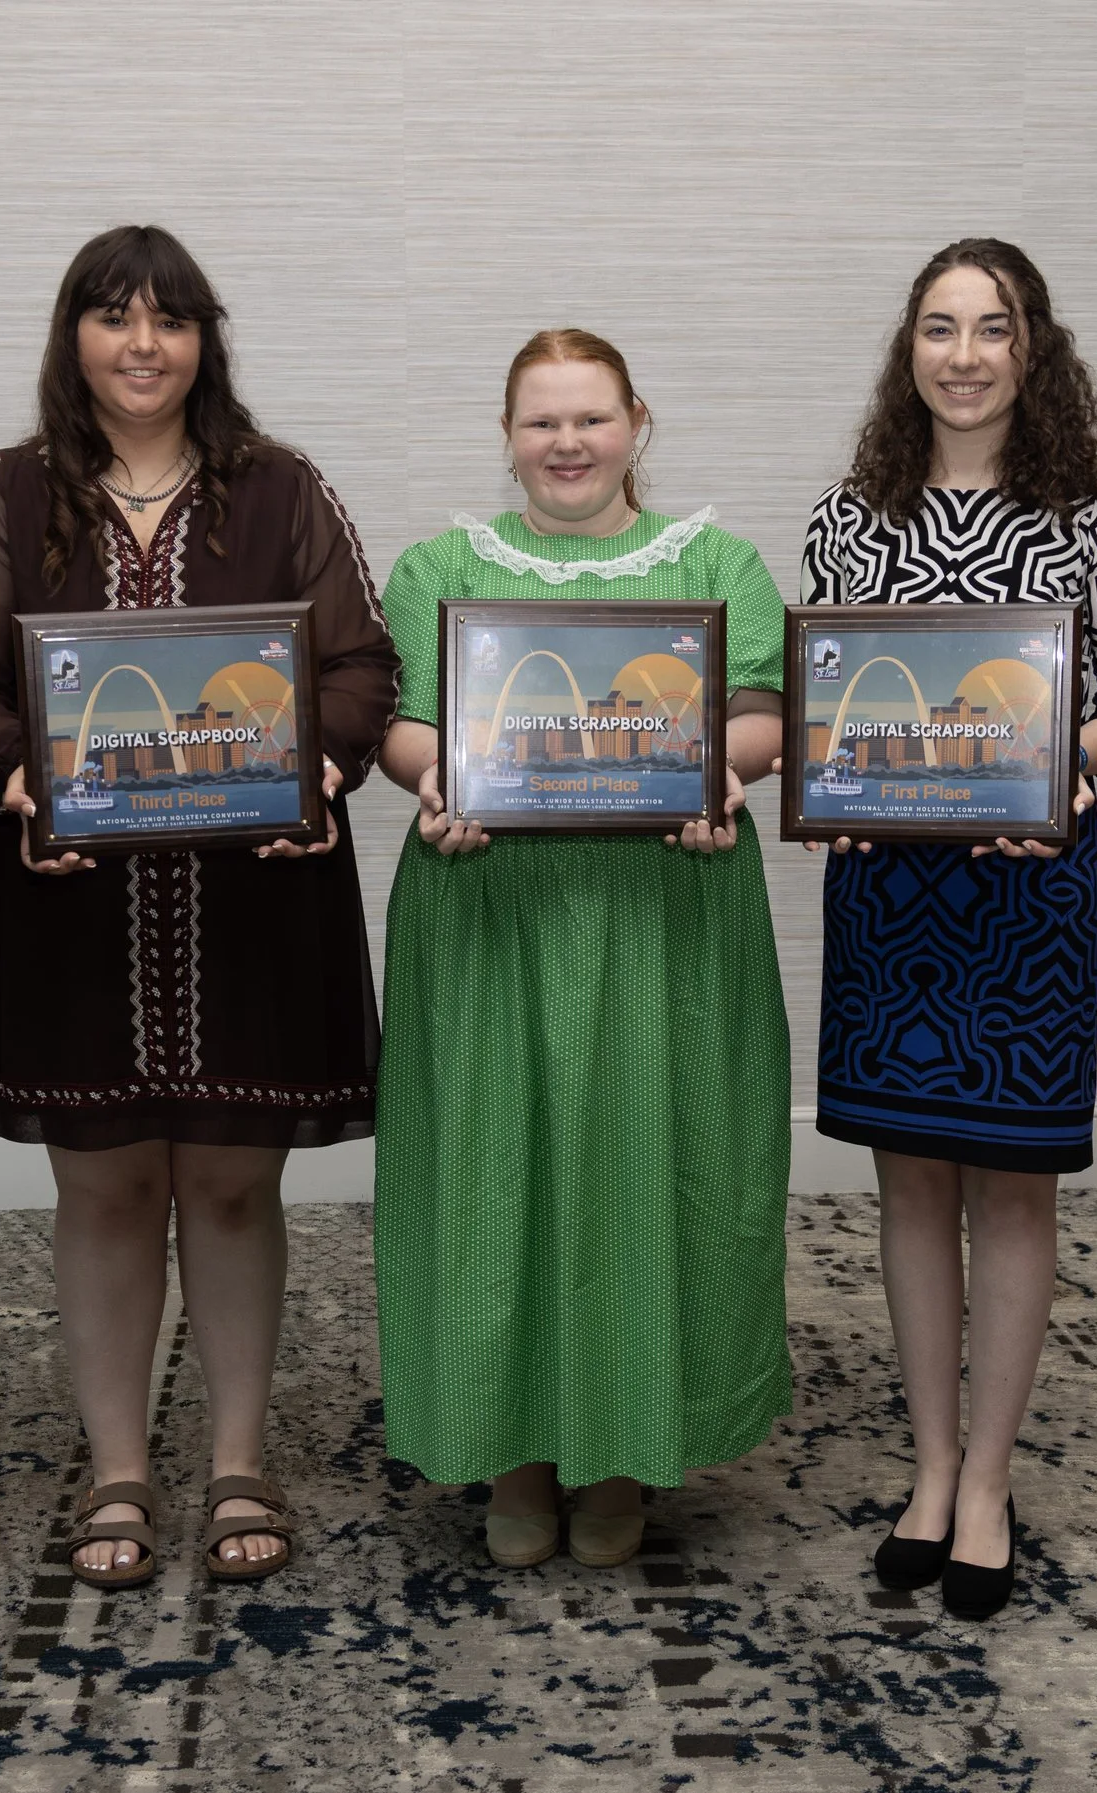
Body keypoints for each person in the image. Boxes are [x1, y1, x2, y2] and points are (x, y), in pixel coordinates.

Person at [0, 225, 400, 1588]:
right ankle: (119, 1467)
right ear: (72, 337)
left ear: (204, 342)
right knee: (108, 1182)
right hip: (67, 904)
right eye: (114, 317)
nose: (143, 345)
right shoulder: (7, 494)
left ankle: (240, 1456)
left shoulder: (282, 488)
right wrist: (22, 779)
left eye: (170, 320)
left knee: (236, 1183)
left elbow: (362, 663)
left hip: (256, 897)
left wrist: (316, 760)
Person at [372, 329, 792, 1570]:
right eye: (542, 420)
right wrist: (437, 776)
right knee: (492, 1171)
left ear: (635, 422)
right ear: (507, 435)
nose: (568, 443)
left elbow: (761, 712)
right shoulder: (438, 567)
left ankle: (622, 1452)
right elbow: (403, 724)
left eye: (591, 418)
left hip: (662, 907)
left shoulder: (717, 562)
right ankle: (509, 1450)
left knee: (645, 1164)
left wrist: (714, 770)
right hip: (488, 908)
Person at [799, 239, 1097, 1619]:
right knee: (908, 1183)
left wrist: (1065, 762)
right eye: (939, 327)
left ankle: (991, 1483)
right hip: (888, 904)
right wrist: (828, 786)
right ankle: (931, 1467)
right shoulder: (848, 522)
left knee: (1012, 1190)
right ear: (908, 349)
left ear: (1033, 349)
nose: (964, 355)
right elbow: (824, 705)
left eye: (992, 327)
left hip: (1028, 903)